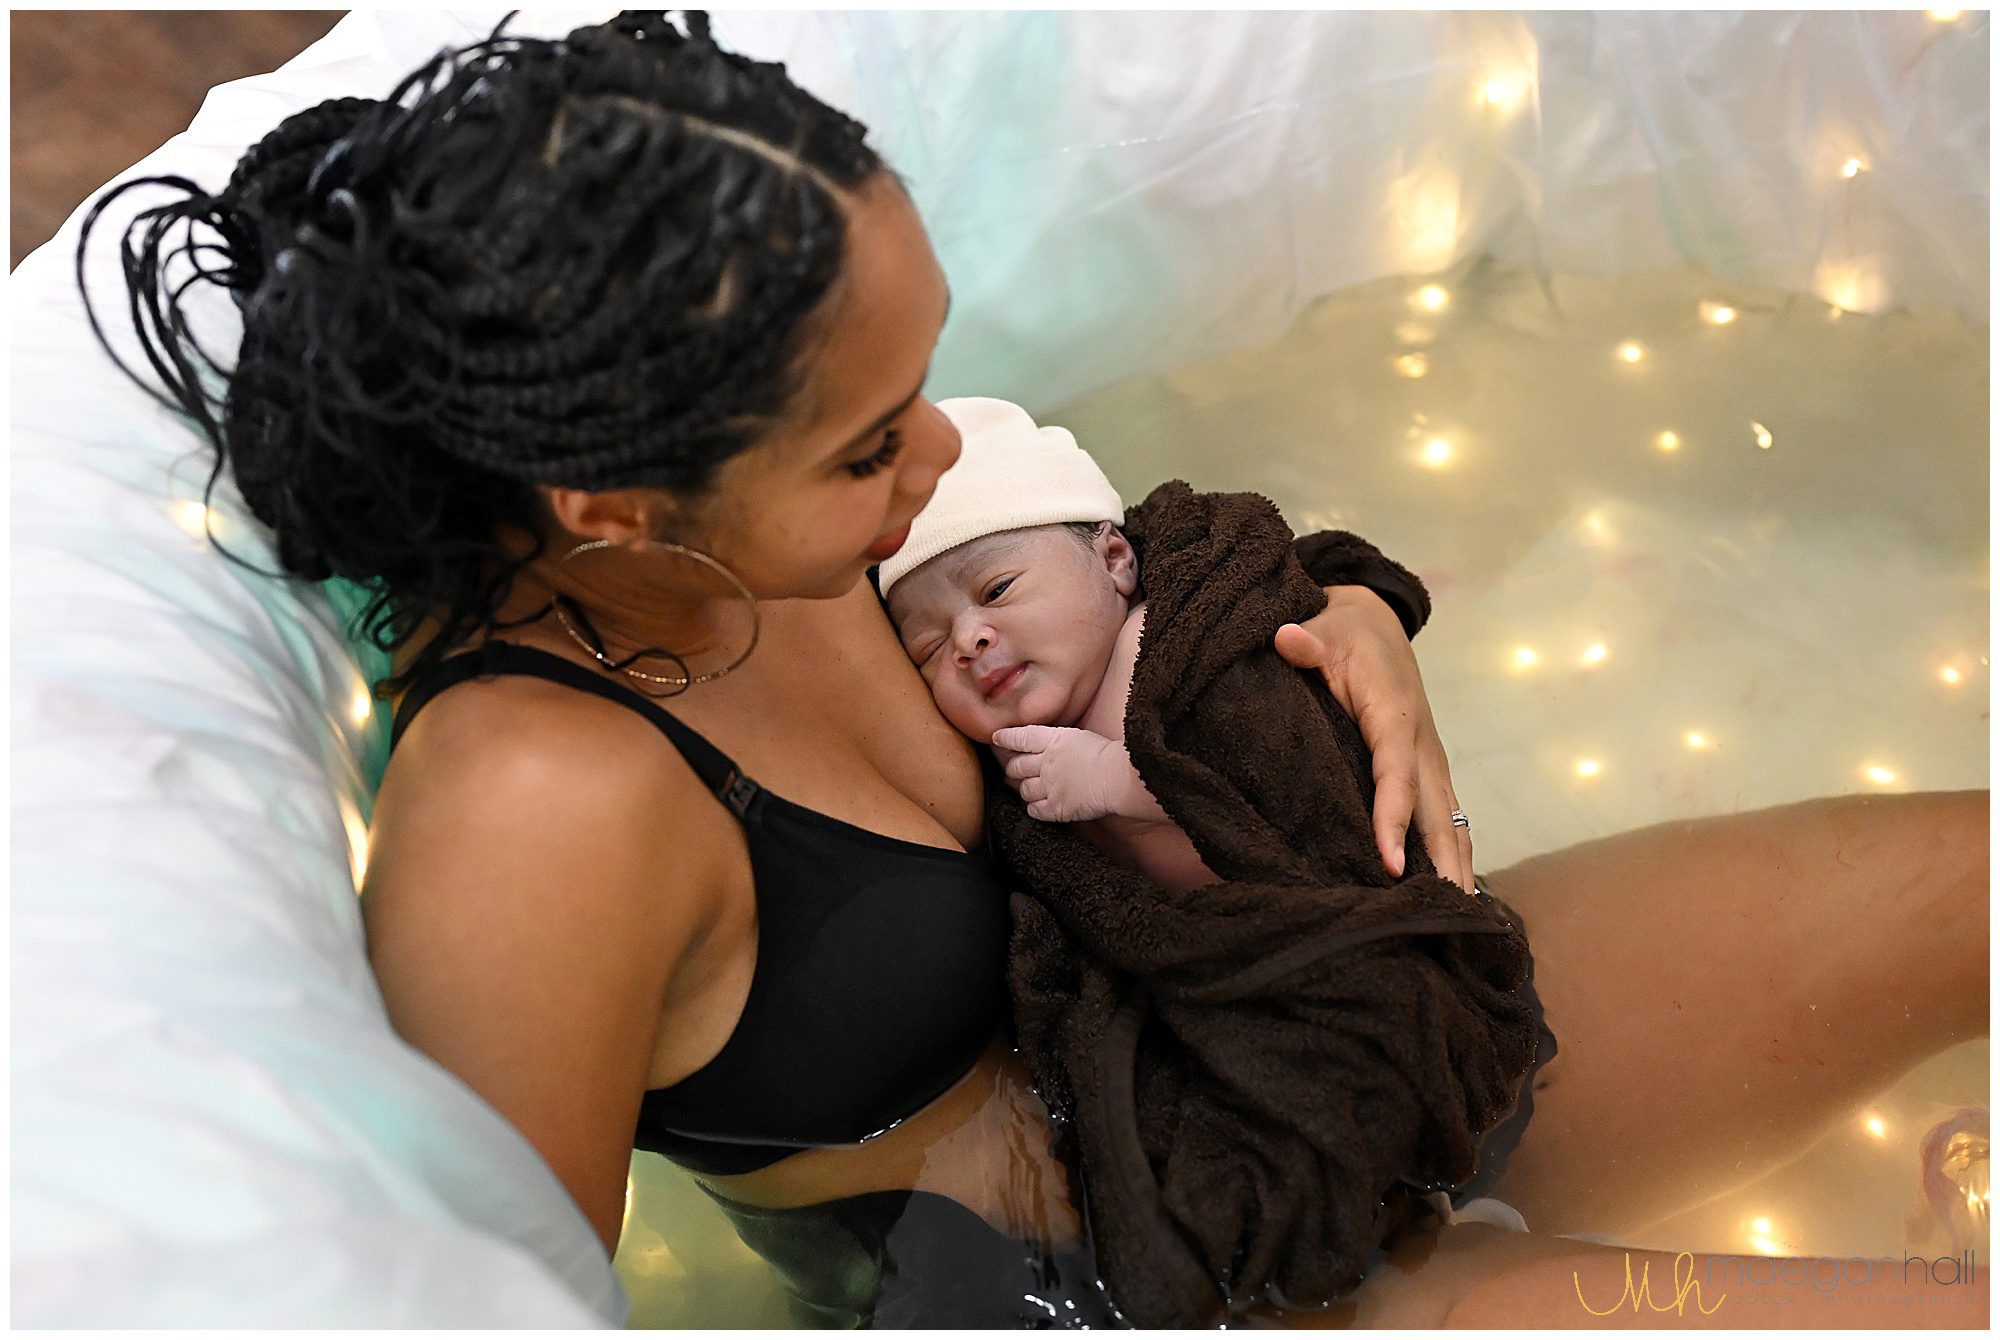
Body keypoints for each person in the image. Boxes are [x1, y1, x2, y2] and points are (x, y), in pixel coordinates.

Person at [80, 11, 1988, 1329]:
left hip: (1300, 1027)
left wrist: (1354, 622)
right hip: (1144, 1280)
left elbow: (1139, 586)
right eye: (866, 450)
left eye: (919, 395)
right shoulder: (534, 816)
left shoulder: (773, 512)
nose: (940, 467)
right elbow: (492, 1307)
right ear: (608, 504)